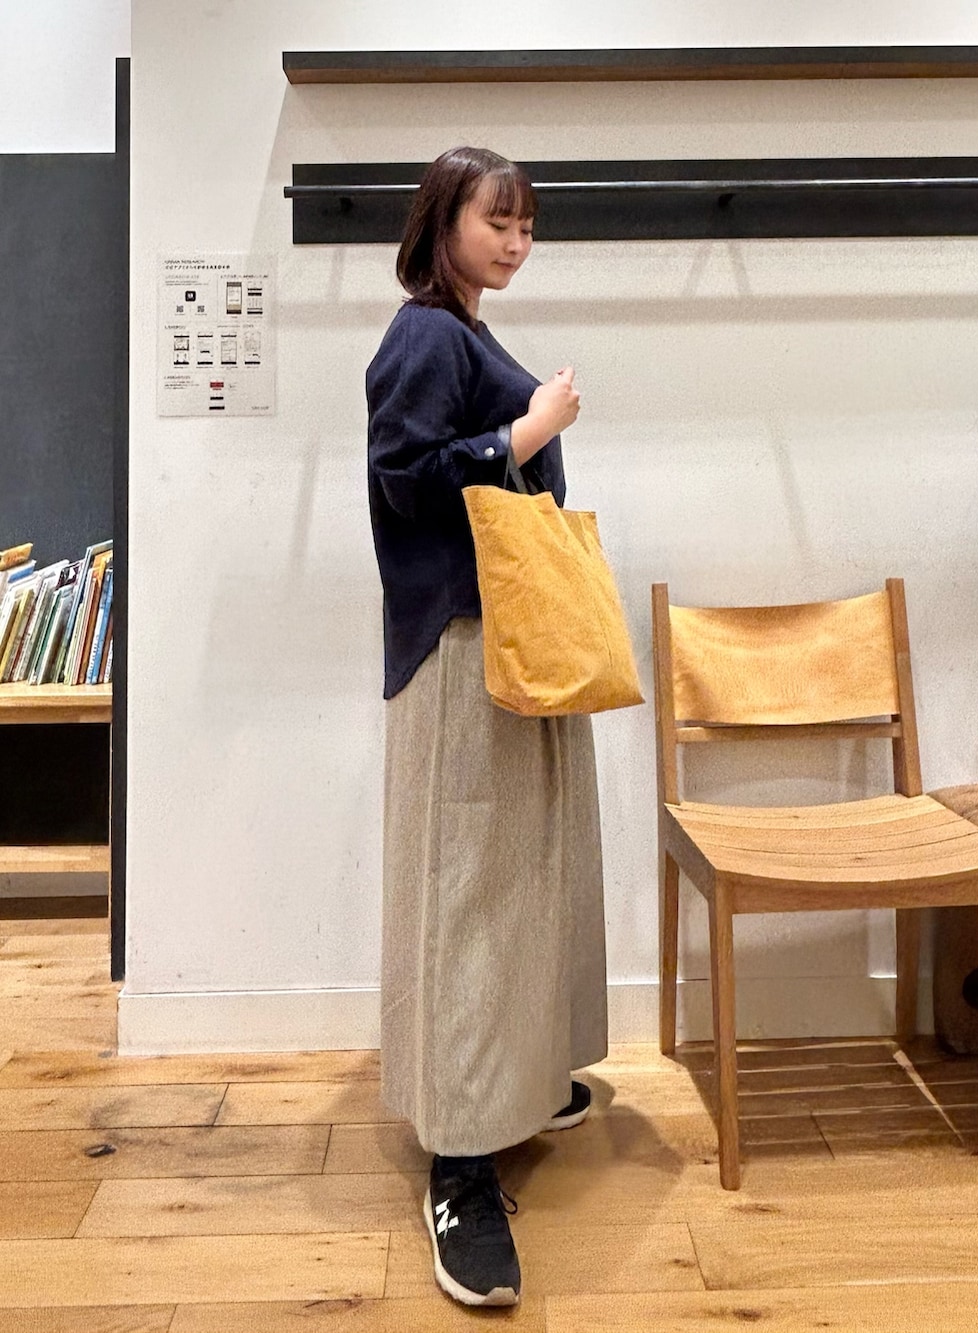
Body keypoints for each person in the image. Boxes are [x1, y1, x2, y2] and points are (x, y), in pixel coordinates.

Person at [366, 146, 608, 1307]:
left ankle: (510, 1079)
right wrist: (527, 429)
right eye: (496, 221)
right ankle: (459, 1166)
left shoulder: (462, 330)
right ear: (442, 222)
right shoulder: (425, 333)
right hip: (464, 649)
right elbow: (403, 479)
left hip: (505, 642)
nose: (516, 242)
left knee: (514, 874)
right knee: (469, 887)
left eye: (527, 226)